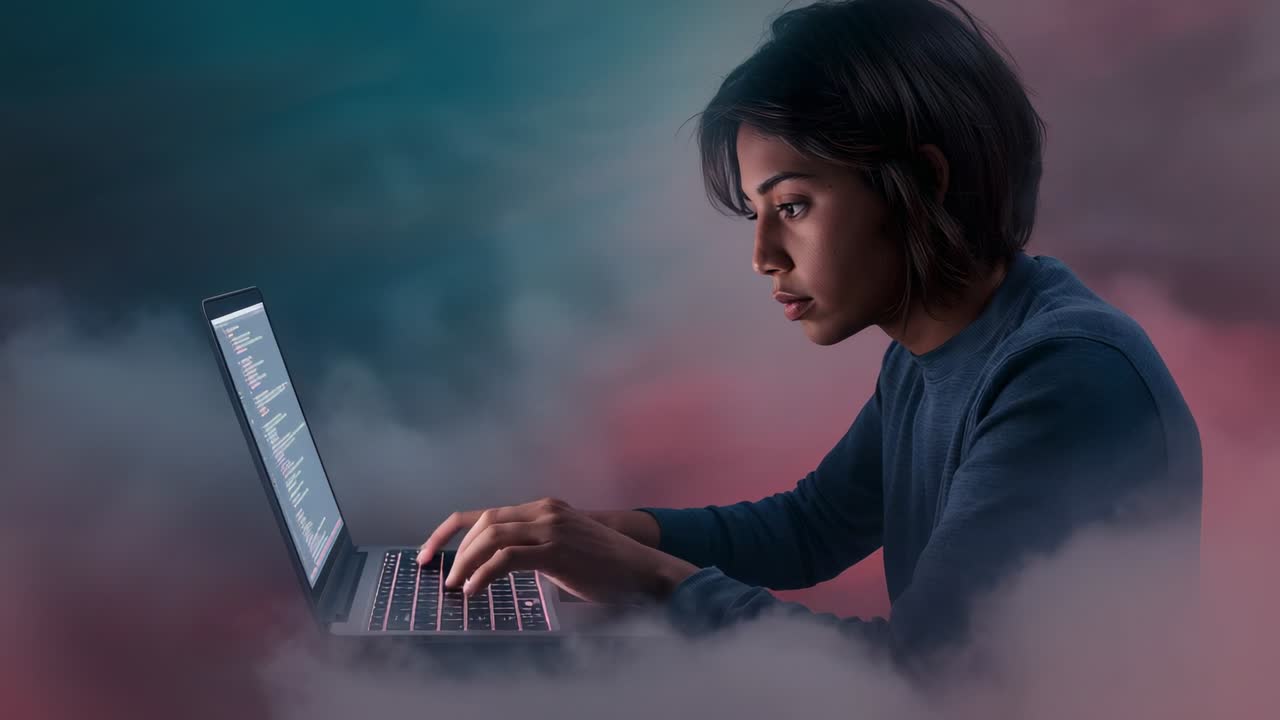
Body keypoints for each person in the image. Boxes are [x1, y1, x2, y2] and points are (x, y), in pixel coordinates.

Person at [415, 0, 1202, 671]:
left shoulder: (1063, 374)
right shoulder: (931, 351)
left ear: (923, 182)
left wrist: (643, 577)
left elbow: (926, 681)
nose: (761, 257)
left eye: (791, 206)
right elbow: (812, 527)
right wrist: (601, 537)